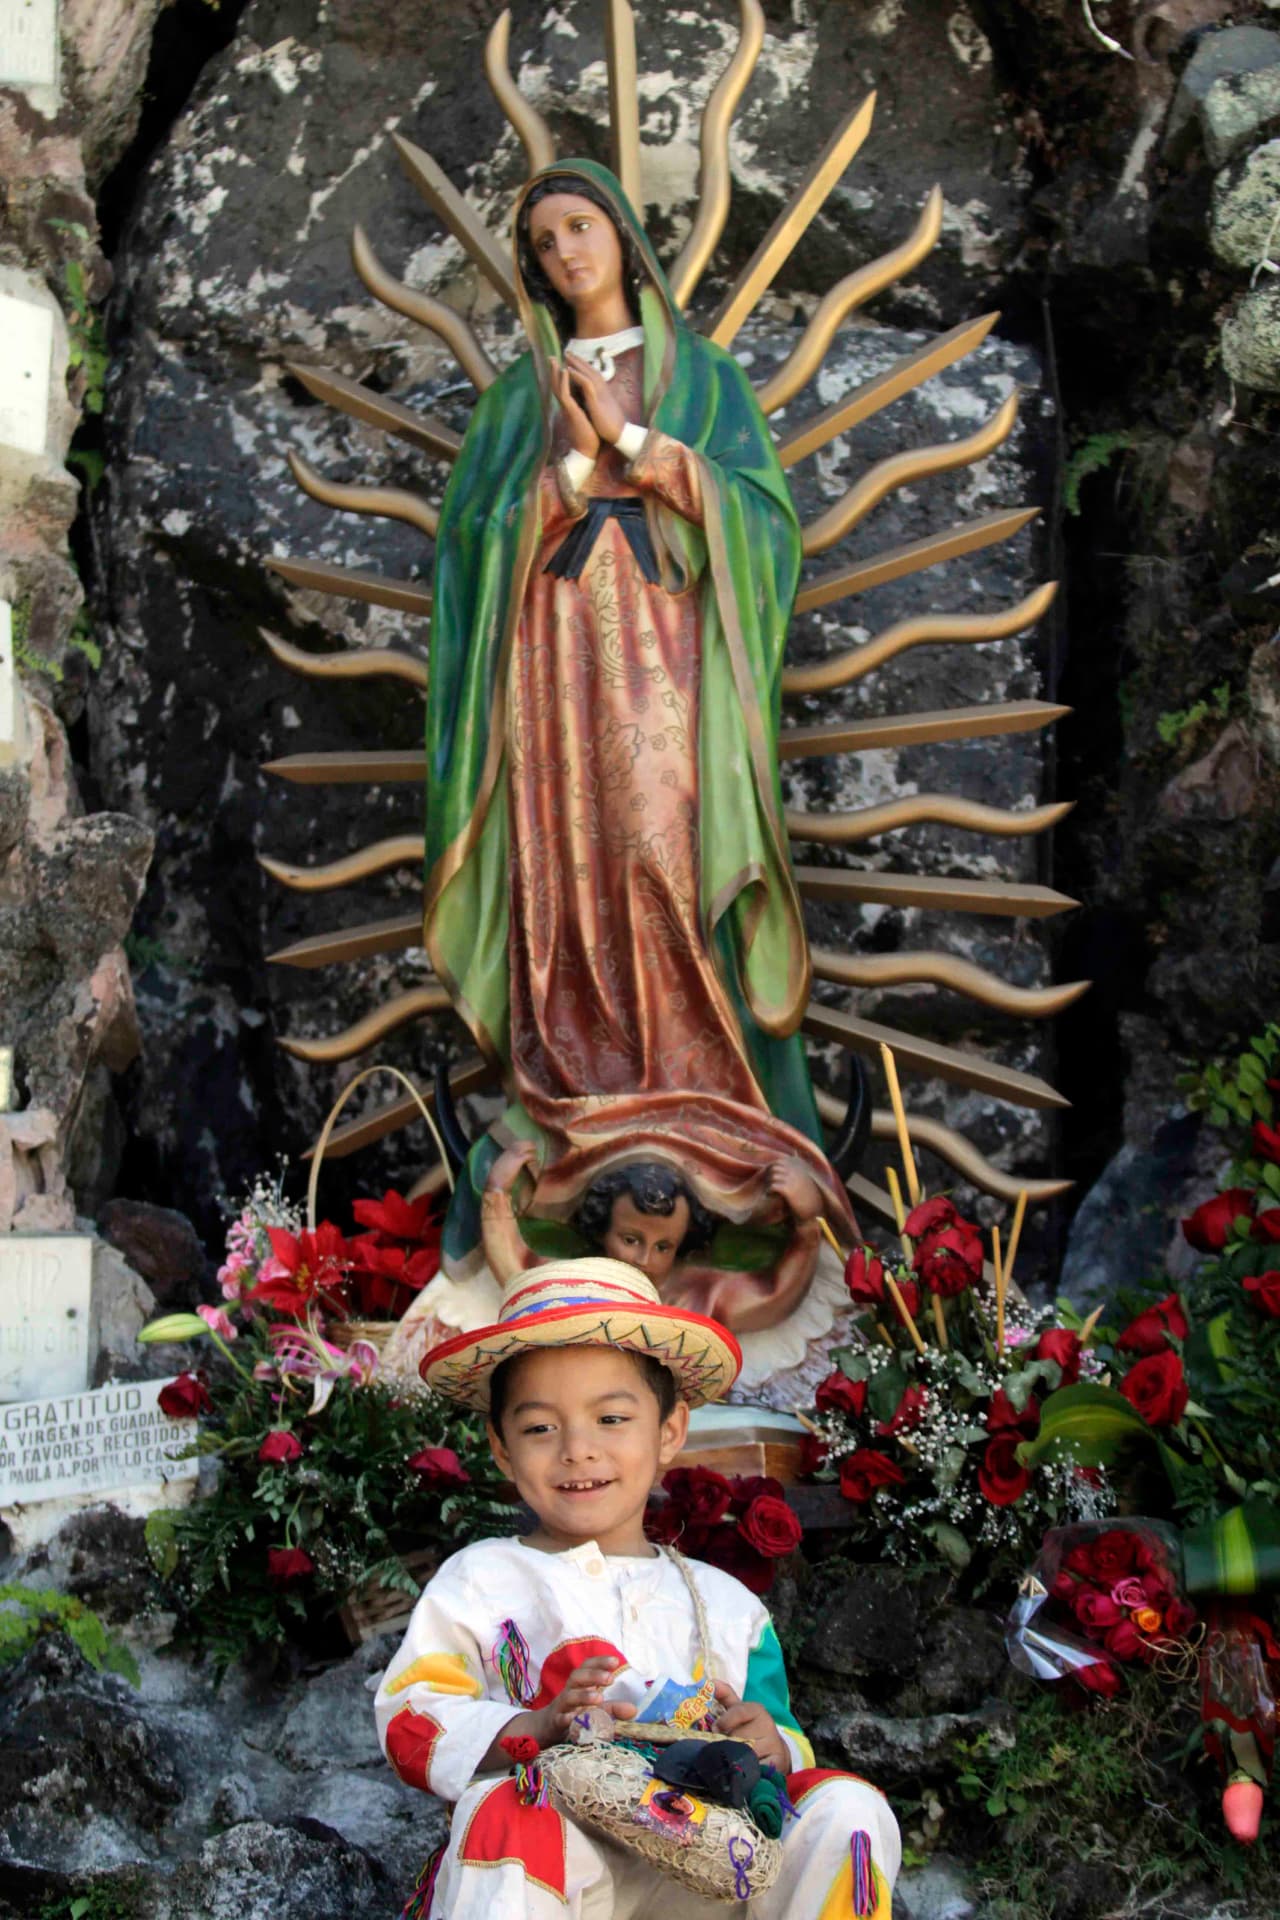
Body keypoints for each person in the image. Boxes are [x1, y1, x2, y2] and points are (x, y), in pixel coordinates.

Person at [423, 160, 856, 1303]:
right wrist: (561, 474)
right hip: (553, 669)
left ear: (620, 234)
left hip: (670, 673)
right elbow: (468, 551)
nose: (568, 252)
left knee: (665, 855)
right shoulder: (516, 398)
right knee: (567, 872)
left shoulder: (701, 378)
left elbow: (764, 526)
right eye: (543, 240)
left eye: (582, 226)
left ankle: (700, 1086)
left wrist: (637, 443)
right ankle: (584, 1088)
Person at [374, 1256, 900, 1917]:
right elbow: (412, 1718)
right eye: (539, 1427)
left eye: (612, 1419)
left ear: (670, 1432)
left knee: (846, 1808)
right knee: (507, 1806)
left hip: (715, 1862)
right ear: (501, 1447)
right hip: (567, 1862)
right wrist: (533, 1726)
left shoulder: (728, 1606)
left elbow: (785, 1738)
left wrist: (771, 1742)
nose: (577, 1449)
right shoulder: (478, 1580)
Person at [480, 1141, 828, 1335]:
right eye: (630, 1239)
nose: (644, 1260)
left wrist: (807, 1222)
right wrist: (497, 1193)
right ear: (601, 1230)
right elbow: (520, 1271)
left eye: (663, 1247)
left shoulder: (701, 1294)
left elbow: (774, 1295)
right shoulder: (576, 1284)